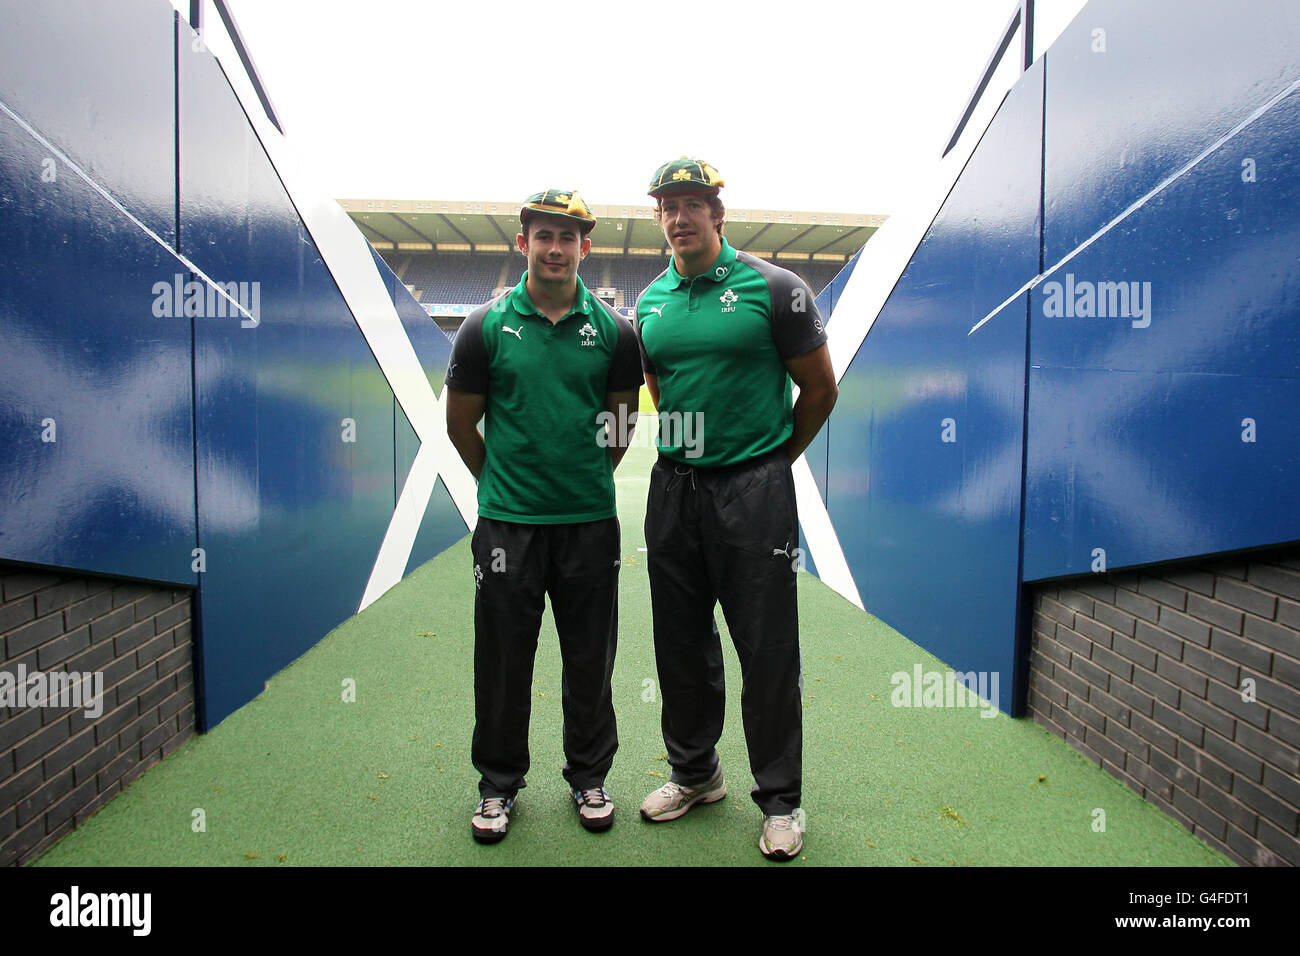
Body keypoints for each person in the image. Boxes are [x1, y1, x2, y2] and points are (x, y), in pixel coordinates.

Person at [634, 158, 838, 860]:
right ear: (659, 217)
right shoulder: (652, 300)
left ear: (718, 212)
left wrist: (772, 461)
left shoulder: (775, 289)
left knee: (767, 647)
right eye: (668, 205)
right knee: (681, 644)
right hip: (674, 489)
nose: (680, 216)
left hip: (754, 490)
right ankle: (696, 774)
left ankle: (781, 802)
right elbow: (660, 385)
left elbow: (819, 389)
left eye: (693, 203)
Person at [444, 189, 642, 843]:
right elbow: (461, 423)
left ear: (586, 247)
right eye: (543, 235)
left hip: (588, 523)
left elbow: (620, 423)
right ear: (523, 241)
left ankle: (589, 777)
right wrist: (503, 485)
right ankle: (498, 787)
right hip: (508, 527)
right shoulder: (484, 325)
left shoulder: (616, 330)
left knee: (591, 658)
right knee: (502, 662)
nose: (555, 248)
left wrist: (579, 482)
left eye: (568, 237)